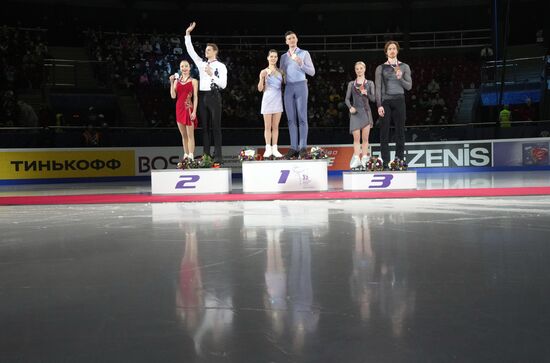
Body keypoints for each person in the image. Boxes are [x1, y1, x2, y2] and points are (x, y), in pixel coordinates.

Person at [185, 22, 228, 164]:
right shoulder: (202, 63)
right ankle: (206, 155)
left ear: (215, 51)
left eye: (209, 50)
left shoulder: (221, 66)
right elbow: (191, 52)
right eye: (205, 50)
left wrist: (212, 75)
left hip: (214, 96)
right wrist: (187, 34)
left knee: (216, 127)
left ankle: (219, 156)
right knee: (205, 128)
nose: (206, 51)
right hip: (202, 96)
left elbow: (223, 84)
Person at [375, 40, 412, 168]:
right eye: (389, 48)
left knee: (400, 131)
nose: (392, 50)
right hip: (385, 101)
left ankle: (399, 160)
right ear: (386, 52)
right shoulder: (380, 67)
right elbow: (378, 88)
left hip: (399, 100)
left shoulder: (404, 66)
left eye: (394, 48)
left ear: (397, 51)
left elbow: (409, 86)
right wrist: (379, 105)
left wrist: (400, 77)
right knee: (384, 132)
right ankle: (385, 162)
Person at [279, 31, 315, 159]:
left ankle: (303, 147)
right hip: (288, 88)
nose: (292, 40)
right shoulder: (283, 57)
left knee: (302, 117)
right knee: (290, 119)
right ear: (286, 41)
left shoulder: (304, 53)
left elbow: (312, 72)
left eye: (293, 37)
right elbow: (281, 75)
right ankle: (293, 148)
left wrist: (301, 63)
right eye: (289, 38)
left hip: (301, 86)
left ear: (297, 39)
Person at [345, 61, 376, 169]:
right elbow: (347, 99)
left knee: (365, 138)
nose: (359, 70)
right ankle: (357, 158)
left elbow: (373, 99)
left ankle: (364, 158)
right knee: (356, 138)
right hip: (355, 113)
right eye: (357, 69)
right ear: (355, 70)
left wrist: (366, 93)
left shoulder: (370, 83)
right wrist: (350, 107)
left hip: (366, 112)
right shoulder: (351, 84)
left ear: (365, 69)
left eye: (361, 68)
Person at [170, 59, 199, 160]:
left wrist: (194, 111)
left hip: (188, 108)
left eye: (186, 66)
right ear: (180, 68)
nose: (184, 68)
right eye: (182, 66)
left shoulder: (194, 81)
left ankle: (191, 156)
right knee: (183, 135)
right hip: (179, 108)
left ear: (189, 68)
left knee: (190, 135)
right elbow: (173, 96)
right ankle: (186, 155)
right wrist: (171, 82)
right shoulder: (176, 81)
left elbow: (195, 97)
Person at [258, 49, 284, 158]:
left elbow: (284, 86)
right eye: (271, 56)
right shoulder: (263, 71)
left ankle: (275, 148)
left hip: (277, 100)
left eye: (275, 56)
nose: (273, 58)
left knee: (276, 126)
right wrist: (262, 78)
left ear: (277, 58)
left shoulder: (281, 72)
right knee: (267, 126)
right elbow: (260, 89)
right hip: (267, 100)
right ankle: (268, 148)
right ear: (268, 58)